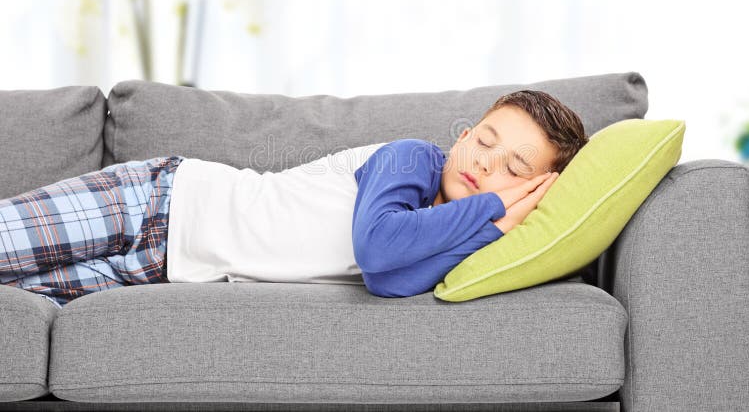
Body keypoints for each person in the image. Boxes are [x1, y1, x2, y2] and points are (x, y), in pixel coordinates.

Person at [0, 89, 587, 308]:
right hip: (157, 199)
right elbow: (378, 247)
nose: (485, 162)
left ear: (538, 190)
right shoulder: (413, 158)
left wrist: (496, 230)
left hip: (158, 268)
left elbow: (385, 282)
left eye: (513, 167)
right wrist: (493, 210)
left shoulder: (449, 233)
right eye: (483, 140)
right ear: (461, 137)